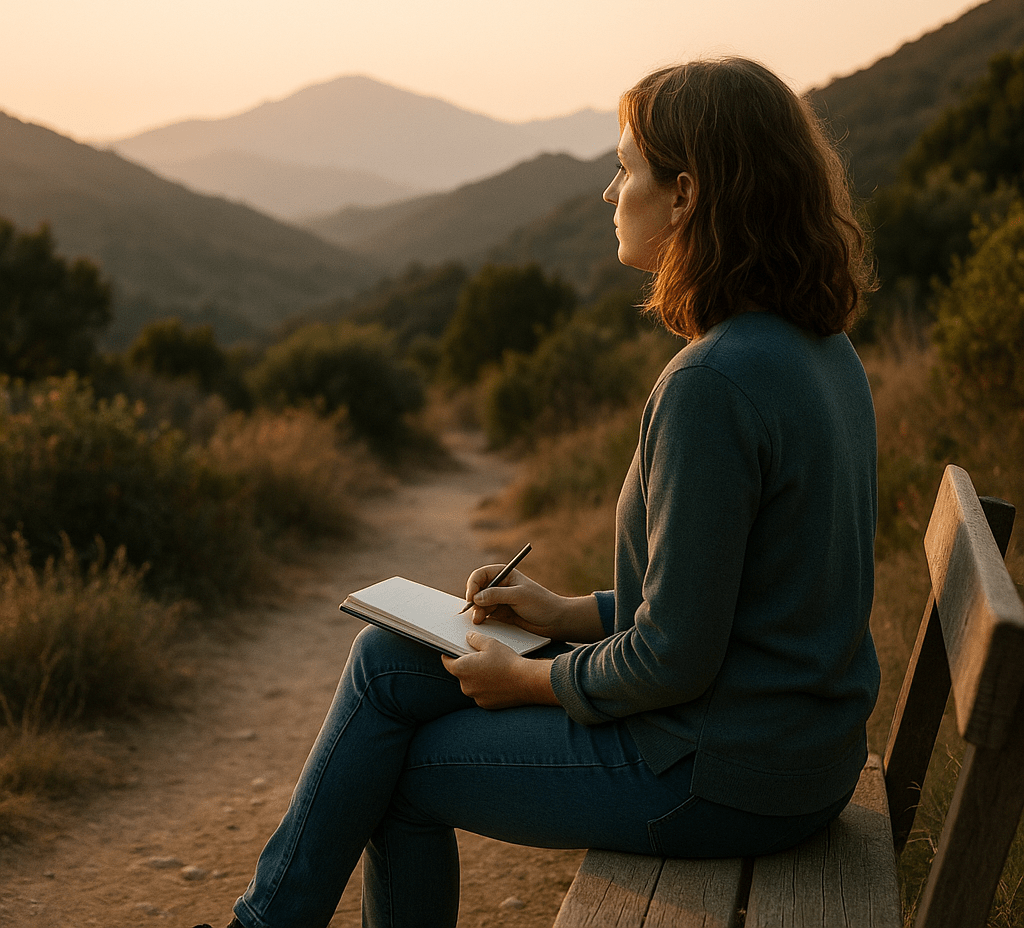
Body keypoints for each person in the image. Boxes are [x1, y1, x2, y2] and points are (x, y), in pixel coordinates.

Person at [193, 55, 879, 928]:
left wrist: (528, 684)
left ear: (685, 195)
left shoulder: (711, 383)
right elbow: (731, 602)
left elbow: (673, 656)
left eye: (625, 166)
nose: (608, 191)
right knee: (388, 657)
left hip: (724, 773)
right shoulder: (821, 352)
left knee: (393, 775)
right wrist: (558, 614)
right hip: (787, 750)